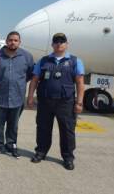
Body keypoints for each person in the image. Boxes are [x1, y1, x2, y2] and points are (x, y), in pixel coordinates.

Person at [27, 33, 85, 170]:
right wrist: (30, 97)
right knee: (42, 128)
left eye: (62, 41)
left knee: (67, 131)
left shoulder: (75, 61)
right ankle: (41, 152)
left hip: (66, 102)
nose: (59, 44)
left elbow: (80, 82)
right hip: (45, 101)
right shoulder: (44, 61)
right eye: (56, 41)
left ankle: (68, 157)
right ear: (52, 44)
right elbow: (35, 80)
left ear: (67, 44)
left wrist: (79, 102)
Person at [0, 31, 34, 158]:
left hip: (17, 97)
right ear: (6, 41)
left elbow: (30, 74)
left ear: (19, 42)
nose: (13, 42)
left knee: (13, 124)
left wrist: (18, 84)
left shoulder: (27, 57)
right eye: (10, 40)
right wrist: (1, 83)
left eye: (15, 40)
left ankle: (11, 145)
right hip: (0, 96)